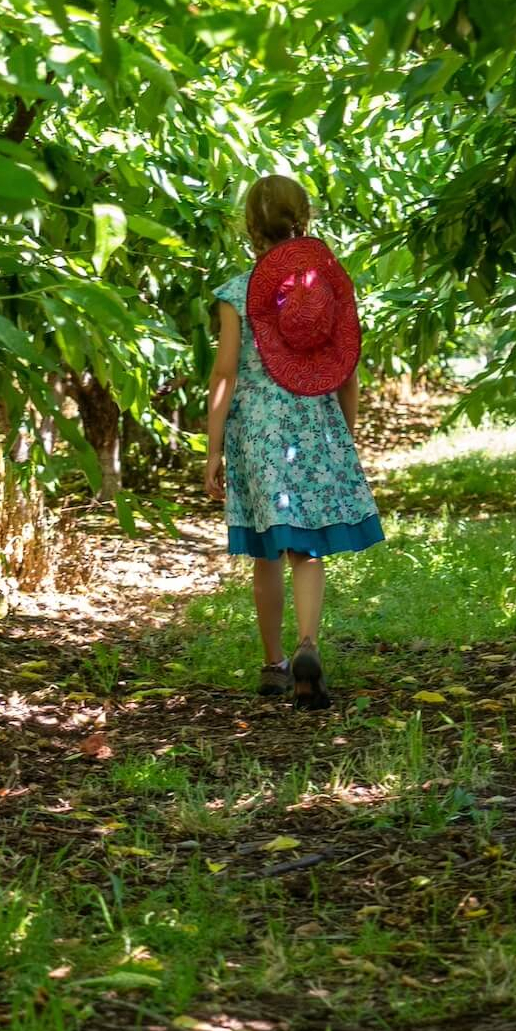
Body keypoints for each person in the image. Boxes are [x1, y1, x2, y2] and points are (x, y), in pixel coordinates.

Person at [205, 175, 384, 707]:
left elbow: (225, 373)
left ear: (250, 228)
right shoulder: (326, 289)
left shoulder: (237, 292)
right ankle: (308, 644)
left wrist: (213, 448)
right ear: (303, 220)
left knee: (267, 547)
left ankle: (273, 663)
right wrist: (343, 432)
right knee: (306, 547)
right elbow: (347, 368)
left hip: (257, 432)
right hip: (314, 422)